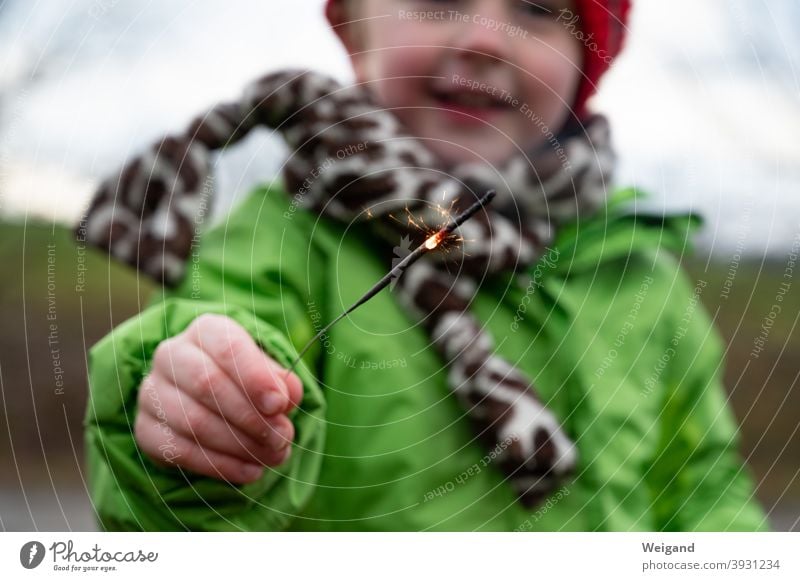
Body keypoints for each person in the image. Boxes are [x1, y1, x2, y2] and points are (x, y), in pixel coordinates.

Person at [80, 0, 769, 531]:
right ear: (354, 28)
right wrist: (198, 411)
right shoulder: (285, 237)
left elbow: (703, 489)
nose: (486, 38)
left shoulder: (641, 274)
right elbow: (227, 336)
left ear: (587, 65)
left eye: (537, 8)